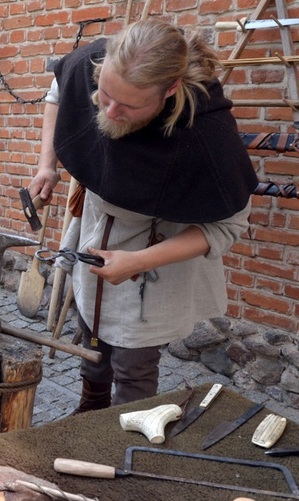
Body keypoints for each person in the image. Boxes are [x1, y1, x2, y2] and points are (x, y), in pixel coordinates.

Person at [27, 19, 258, 412]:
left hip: (152, 255)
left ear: (169, 91)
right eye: (105, 96)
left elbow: (228, 225)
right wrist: (46, 164)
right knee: (90, 333)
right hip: (95, 230)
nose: (112, 112)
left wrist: (139, 261)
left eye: (130, 105)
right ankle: (90, 406)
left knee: (134, 363)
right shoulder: (92, 61)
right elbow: (57, 91)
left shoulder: (207, 135)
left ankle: (124, 434)